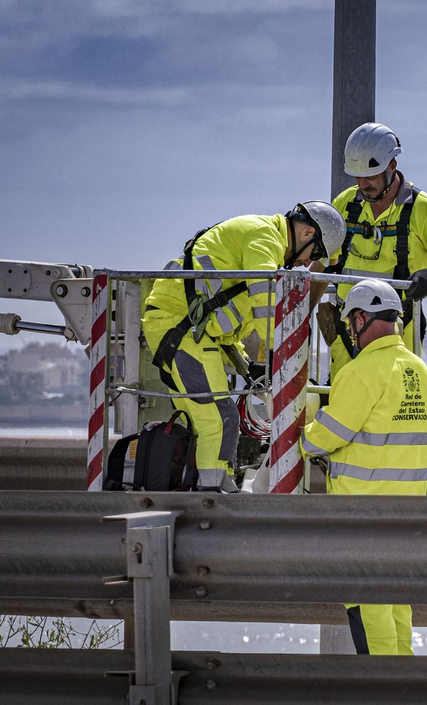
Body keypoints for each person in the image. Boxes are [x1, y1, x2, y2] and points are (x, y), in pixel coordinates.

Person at [143, 203, 344, 491]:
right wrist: (285, 356)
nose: (306, 263)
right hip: (180, 328)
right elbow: (267, 305)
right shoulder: (265, 238)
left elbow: (232, 311)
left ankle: (217, 485)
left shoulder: (263, 235)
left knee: (206, 419)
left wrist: (250, 364)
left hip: (186, 329)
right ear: (307, 233)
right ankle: (212, 493)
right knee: (219, 417)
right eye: (314, 254)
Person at [300, 278, 427, 656]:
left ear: (360, 318)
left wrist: (306, 424)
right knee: (397, 606)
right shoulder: (420, 372)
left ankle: (384, 696)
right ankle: (404, 691)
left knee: (368, 608)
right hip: (407, 516)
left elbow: (322, 439)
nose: (350, 333)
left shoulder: (361, 372)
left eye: (349, 325)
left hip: (362, 517)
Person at [320, 123, 427, 378]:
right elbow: (323, 265)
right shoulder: (345, 204)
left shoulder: (424, 210)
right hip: (347, 336)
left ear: (392, 166)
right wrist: (302, 314)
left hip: (398, 339)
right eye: (357, 177)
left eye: (370, 176)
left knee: (392, 409)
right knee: (343, 409)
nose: (363, 183)